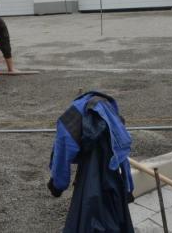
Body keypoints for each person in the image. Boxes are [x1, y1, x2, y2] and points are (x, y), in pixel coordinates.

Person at [47, 91, 135, 233]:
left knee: (88, 220)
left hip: (89, 183)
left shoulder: (72, 116)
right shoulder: (110, 110)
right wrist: (128, 188)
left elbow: (62, 152)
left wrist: (57, 185)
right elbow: (123, 154)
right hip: (113, 182)